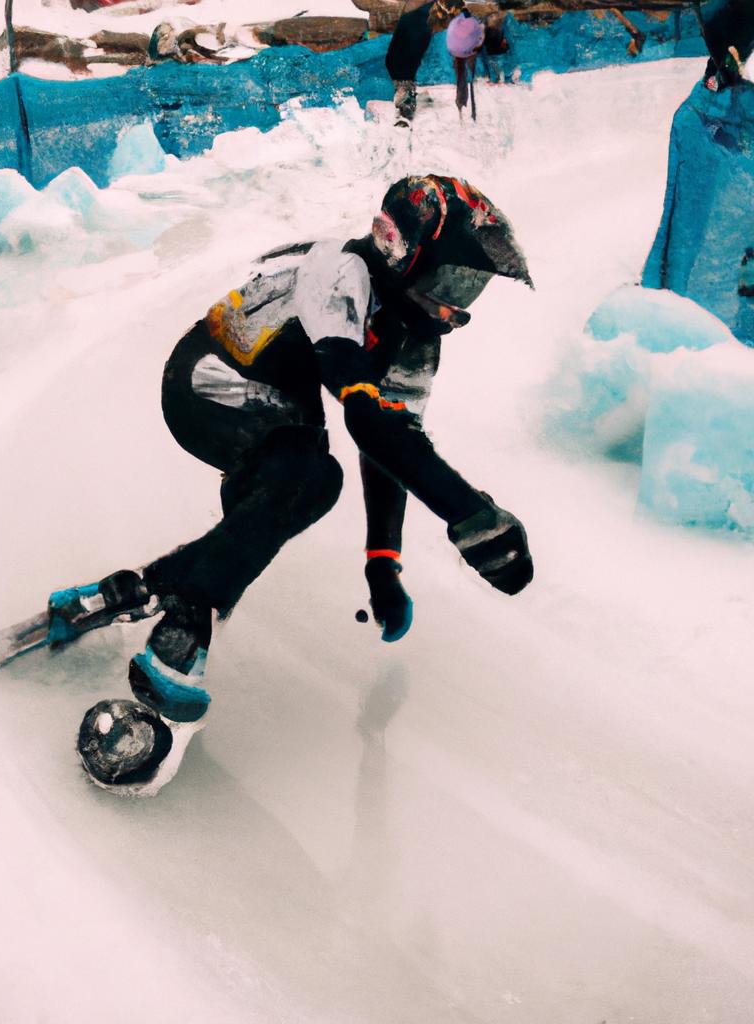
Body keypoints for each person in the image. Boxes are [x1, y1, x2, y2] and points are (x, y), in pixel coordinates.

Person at [39, 174, 536, 794]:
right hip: (207, 377)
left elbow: (395, 443)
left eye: (472, 290)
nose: (457, 308)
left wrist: (384, 561)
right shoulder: (339, 270)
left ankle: (142, 589)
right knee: (311, 477)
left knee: (287, 496)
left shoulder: (417, 340)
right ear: (401, 251)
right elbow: (365, 416)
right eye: (453, 283)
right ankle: (181, 628)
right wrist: (471, 516)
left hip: (278, 411)